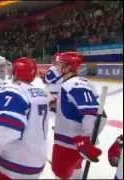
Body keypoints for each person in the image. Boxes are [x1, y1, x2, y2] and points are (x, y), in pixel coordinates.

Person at [0, 57, 49, 179]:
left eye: (4, 66)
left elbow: (5, 130)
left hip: (16, 162)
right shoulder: (41, 93)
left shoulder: (12, 89)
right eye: (0, 66)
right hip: (37, 159)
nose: (3, 69)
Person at [51, 51, 106, 179]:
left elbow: (95, 115)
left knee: (61, 173)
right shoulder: (77, 83)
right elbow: (77, 110)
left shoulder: (74, 84)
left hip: (68, 144)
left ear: (68, 67)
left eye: (59, 64)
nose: (56, 67)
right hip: (71, 143)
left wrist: (85, 140)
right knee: (73, 173)